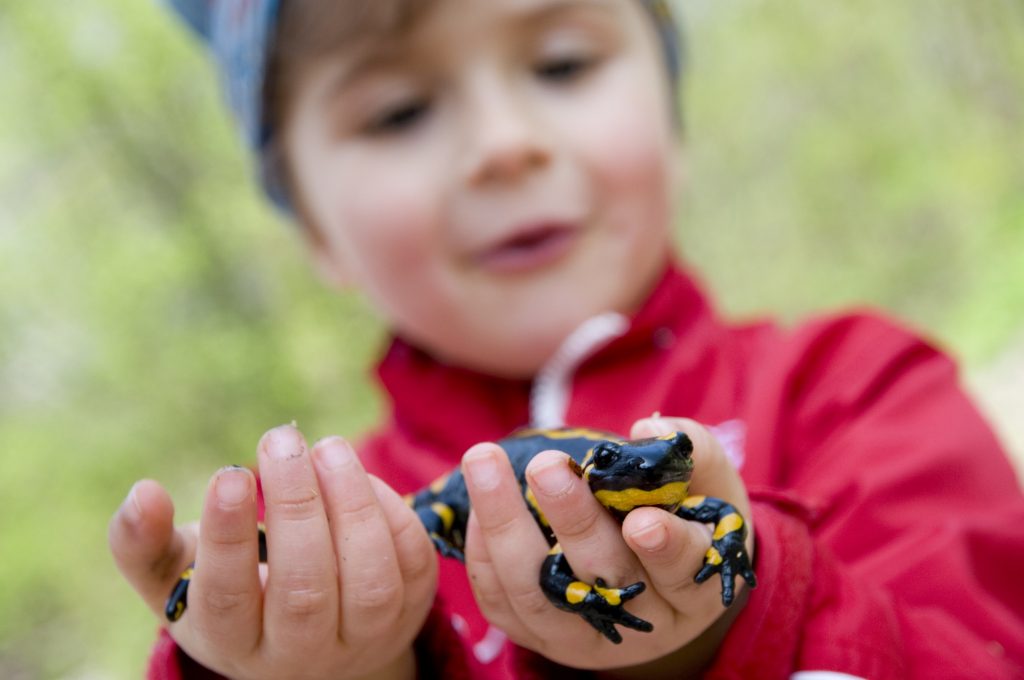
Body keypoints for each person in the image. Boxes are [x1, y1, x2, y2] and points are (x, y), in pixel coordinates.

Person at [107, 0, 1024, 678]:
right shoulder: (354, 514)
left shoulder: (855, 387)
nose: (505, 144)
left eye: (562, 64)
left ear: (673, 113)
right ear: (312, 231)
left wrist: (726, 630)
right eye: (397, 113)